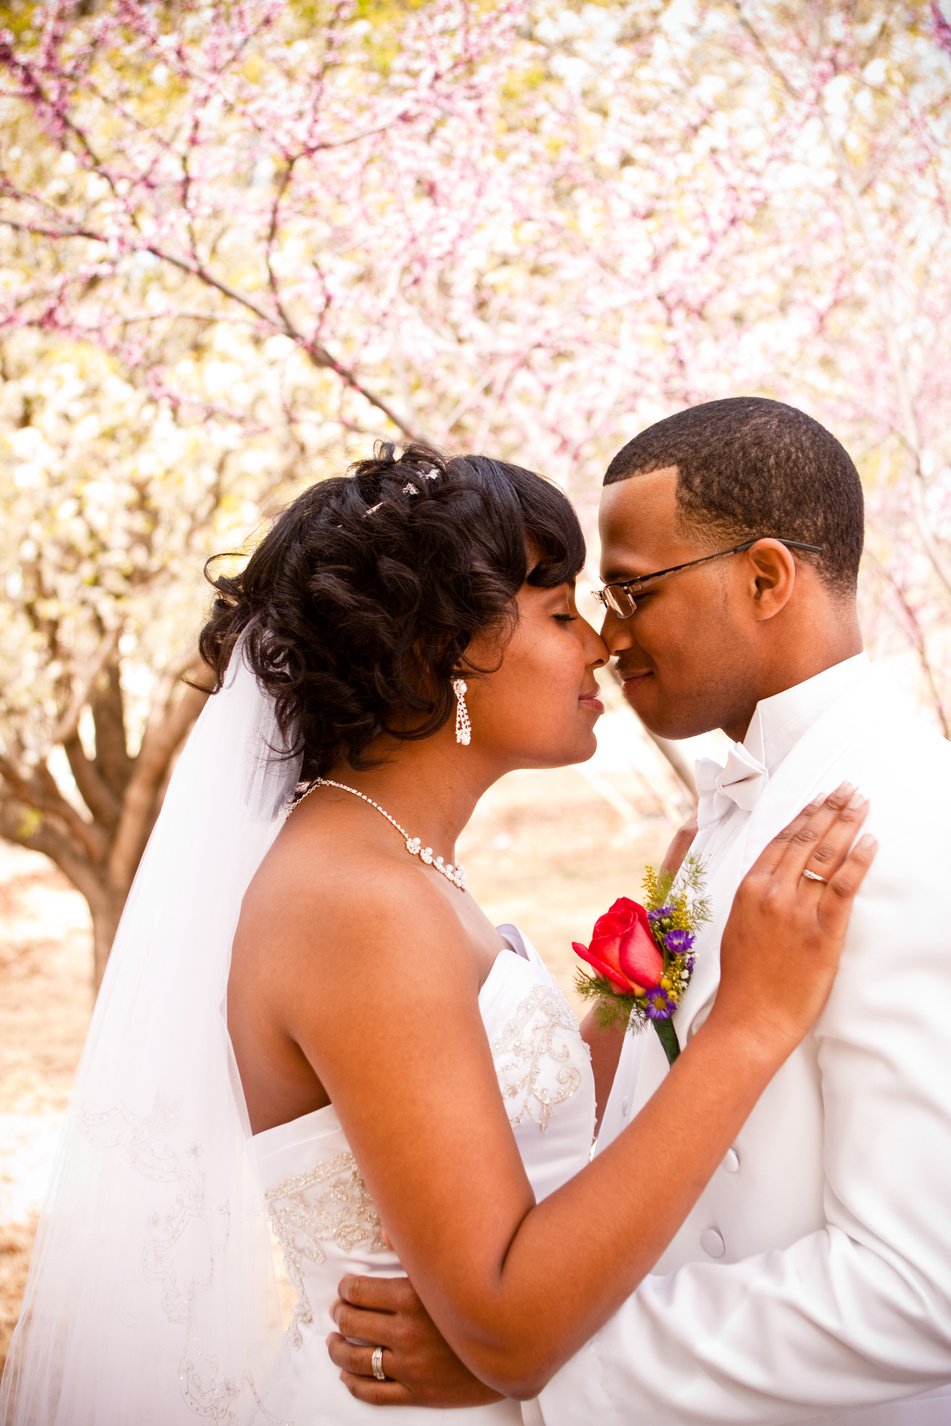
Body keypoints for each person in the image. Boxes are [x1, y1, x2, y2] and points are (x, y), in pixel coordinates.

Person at [0, 442, 875, 1426]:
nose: (597, 645)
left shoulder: (390, 860)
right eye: (558, 614)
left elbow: (518, 1118)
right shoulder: (356, 902)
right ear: (443, 656)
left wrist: (660, 933)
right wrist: (749, 1024)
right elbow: (506, 1324)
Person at [330, 401, 951, 1424]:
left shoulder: (903, 828)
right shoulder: (746, 805)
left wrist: (541, 1362)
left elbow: (922, 1286)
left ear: (763, 579)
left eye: (629, 591)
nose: (608, 637)